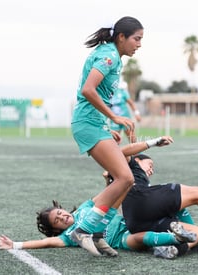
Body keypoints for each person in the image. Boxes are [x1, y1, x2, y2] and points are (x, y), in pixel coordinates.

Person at [102, 136, 198, 257]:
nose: (152, 170)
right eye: (150, 165)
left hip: (137, 222)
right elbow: (121, 152)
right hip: (142, 200)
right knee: (197, 193)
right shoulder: (131, 166)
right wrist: (153, 142)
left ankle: (175, 249)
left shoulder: (125, 178)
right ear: (136, 160)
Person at [70, 16, 145, 256]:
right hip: (87, 124)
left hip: (93, 123)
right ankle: (83, 229)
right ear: (121, 37)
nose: (139, 44)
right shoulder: (109, 56)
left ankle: (98, 234)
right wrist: (114, 117)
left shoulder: (111, 54)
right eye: (137, 38)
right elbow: (87, 90)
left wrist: (106, 124)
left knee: (125, 179)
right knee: (124, 177)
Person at [0, 197, 198, 259]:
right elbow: (46, 242)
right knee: (138, 239)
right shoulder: (70, 236)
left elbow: (108, 198)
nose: (62, 218)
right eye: (58, 221)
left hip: (129, 221)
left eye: (61, 213)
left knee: (193, 227)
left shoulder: (84, 208)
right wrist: (16, 245)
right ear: (56, 229)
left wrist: (109, 180)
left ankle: (184, 245)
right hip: (121, 239)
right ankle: (187, 244)